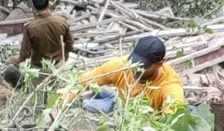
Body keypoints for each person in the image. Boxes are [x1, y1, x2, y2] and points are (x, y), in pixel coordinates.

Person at [56, 35, 184, 115]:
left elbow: (171, 122)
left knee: (88, 105)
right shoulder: (121, 66)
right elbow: (81, 82)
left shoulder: (170, 88)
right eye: (133, 62)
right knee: (95, 91)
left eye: (142, 66)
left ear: (160, 63)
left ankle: (85, 102)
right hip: (120, 99)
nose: (135, 69)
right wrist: (58, 105)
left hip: (124, 110)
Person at [11, 0, 74, 69]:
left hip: (38, 70)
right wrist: (65, 57)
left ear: (33, 7)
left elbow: (25, 54)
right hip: (57, 65)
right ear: (48, 5)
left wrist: (18, 59)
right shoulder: (62, 22)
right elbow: (69, 43)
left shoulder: (30, 27)